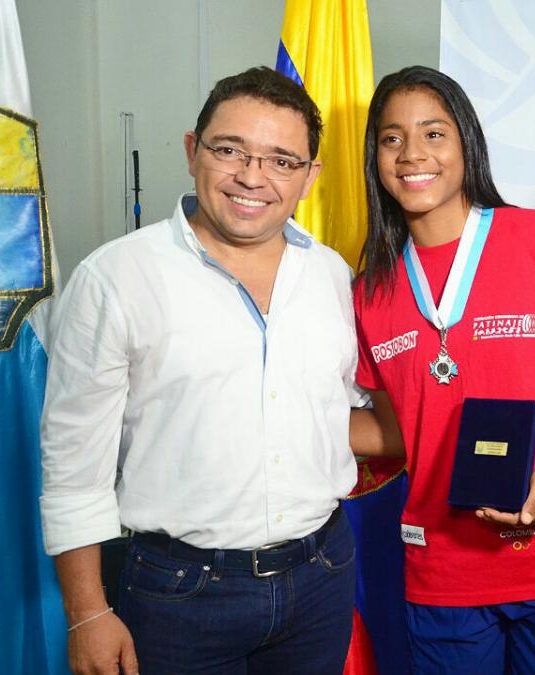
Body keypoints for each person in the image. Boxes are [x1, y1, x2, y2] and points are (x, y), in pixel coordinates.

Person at [40, 66, 360, 674]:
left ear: (310, 177)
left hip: (321, 575)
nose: (252, 177)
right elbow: (72, 465)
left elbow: (337, 412)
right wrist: (86, 613)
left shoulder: (332, 276)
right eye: (229, 150)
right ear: (193, 151)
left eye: (281, 161)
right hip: (180, 593)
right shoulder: (115, 278)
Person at [348, 65, 535, 674]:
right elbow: (400, 433)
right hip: (442, 574)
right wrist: (274, 418)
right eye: (391, 138)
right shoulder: (370, 291)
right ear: (374, 157)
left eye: (433, 133)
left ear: (466, 144)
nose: (411, 154)